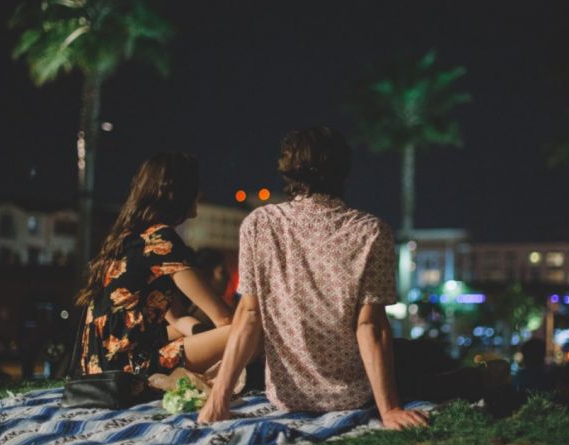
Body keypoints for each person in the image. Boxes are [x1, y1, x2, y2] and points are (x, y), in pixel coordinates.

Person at [198, 127, 489, 429]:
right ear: (343, 172)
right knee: (426, 355)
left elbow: (248, 316)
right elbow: (370, 326)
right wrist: (389, 410)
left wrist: (218, 400)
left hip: (286, 396)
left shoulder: (259, 224)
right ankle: (484, 376)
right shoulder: (371, 231)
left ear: (287, 171)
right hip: (352, 396)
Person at [74, 153, 235, 388]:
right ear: (179, 193)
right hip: (132, 368)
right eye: (195, 188)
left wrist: (204, 335)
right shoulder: (162, 241)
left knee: (221, 334)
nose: (199, 195)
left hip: (99, 369)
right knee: (251, 331)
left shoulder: (130, 239)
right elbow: (225, 318)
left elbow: (178, 319)